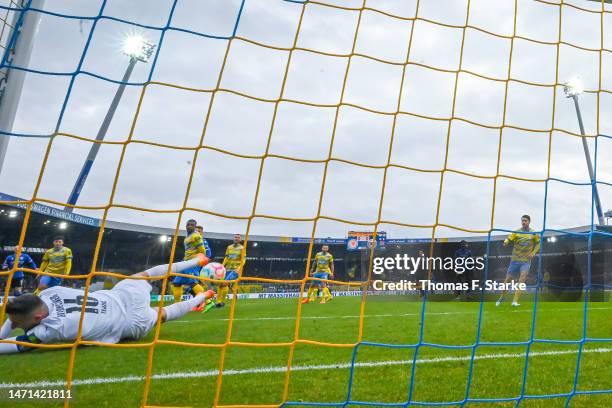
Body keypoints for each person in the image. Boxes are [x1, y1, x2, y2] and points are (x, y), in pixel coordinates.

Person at [0, 254, 212, 354]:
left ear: (38, 319)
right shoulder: (50, 293)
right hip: (121, 296)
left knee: (162, 314)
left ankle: (204, 295)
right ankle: (196, 261)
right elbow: (21, 308)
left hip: (128, 323)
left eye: (17, 323)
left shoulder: (52, 329)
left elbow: (19, 344)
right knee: (147, 274)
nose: (15, 325)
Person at [496, 215, 540, 307]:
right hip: (515, 260)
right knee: (507, 280)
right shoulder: (516, 232)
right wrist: (506, 241)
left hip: (525, 261)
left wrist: (533, 252)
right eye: (522, 221)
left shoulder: (533, 233)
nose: (523, 222)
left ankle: (514, 301)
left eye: (525, 221)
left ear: (529, 222)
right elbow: (509, 238)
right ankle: (501, 297)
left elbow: (538, 244)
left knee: (522, 280)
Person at [171, 220, 208, 304]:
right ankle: (177, 304)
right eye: (188, 224)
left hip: (192, 262)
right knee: (176, 283)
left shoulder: (196, 236)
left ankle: (206, 302)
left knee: (192, 283)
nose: (189, 226)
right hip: (185, 262)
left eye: (192, 225)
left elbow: (202, 250)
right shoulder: (187, 237)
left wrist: (198, 261)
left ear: (195, 227)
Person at [217, 234, 246, 308]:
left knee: (224, 284)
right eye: (235, 237)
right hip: (227, 269)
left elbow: (243, 259)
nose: (236, 238)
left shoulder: (242, 248)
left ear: (240, 240)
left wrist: (239, 268)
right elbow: (226, 257)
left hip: (235, 270)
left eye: (238, 238)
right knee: (221, 285)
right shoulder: (229, 247)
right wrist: (222, 265)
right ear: (233, 238)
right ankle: (219, 302)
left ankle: (221, 302)